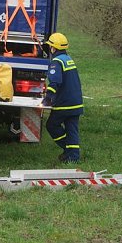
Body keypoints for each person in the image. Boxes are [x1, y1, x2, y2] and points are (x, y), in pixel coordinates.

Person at [42, 32, 84, 163]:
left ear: (53, 48)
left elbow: (55, 82)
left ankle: (68, 149)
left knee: (52, 125)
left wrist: (48, 98)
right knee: (72, 130)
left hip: (64, 104)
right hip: (76, 103)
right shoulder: (68, 59)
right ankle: (73, 156)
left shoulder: (56, 62)